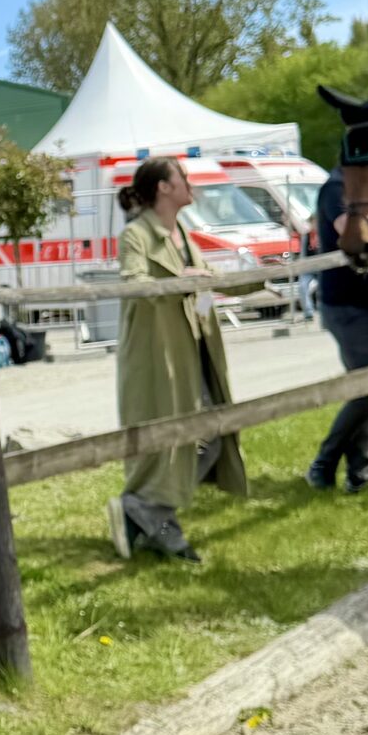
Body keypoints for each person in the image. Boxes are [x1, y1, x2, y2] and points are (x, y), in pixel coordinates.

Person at [106, 153, 246, 563]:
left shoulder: (182, 232)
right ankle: (154, 517)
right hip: (158, 356)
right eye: (182, 176)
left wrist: (264, 277)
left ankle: (145, 511)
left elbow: (207, 282)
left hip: (195, 349)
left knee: (213, 437)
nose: (190, 183)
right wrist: (179, 280)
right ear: (164, 188)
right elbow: (133, 281)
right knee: (170, 440)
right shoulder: (136, 235)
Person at [305, 167, 368, 494]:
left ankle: (360, 475)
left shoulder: (364, 191)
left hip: (367, 304)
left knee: (364, 388)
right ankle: (323, 463)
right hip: (346, 305)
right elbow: (354, 234)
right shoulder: (335, 190)